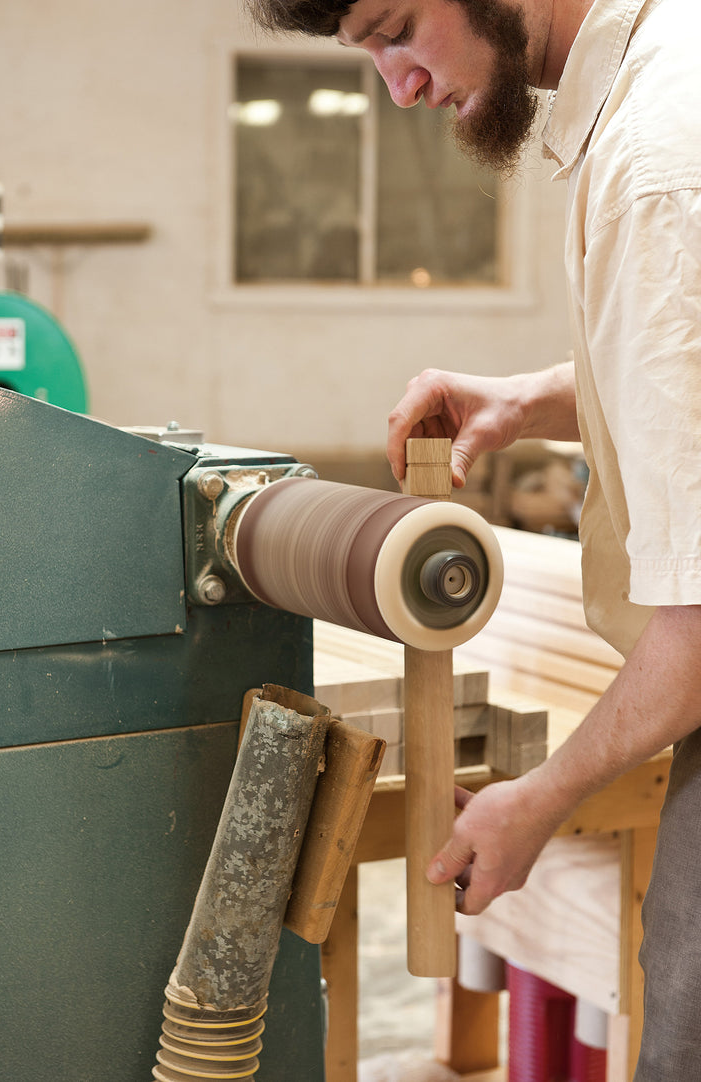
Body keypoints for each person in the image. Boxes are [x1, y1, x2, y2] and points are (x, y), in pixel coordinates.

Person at [245, 0, 701, 1076]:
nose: (397, 86)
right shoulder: (666, 65)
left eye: (397, 29)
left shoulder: (657, 160)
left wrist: (539, 798)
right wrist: (539, 395)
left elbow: (697, 626)